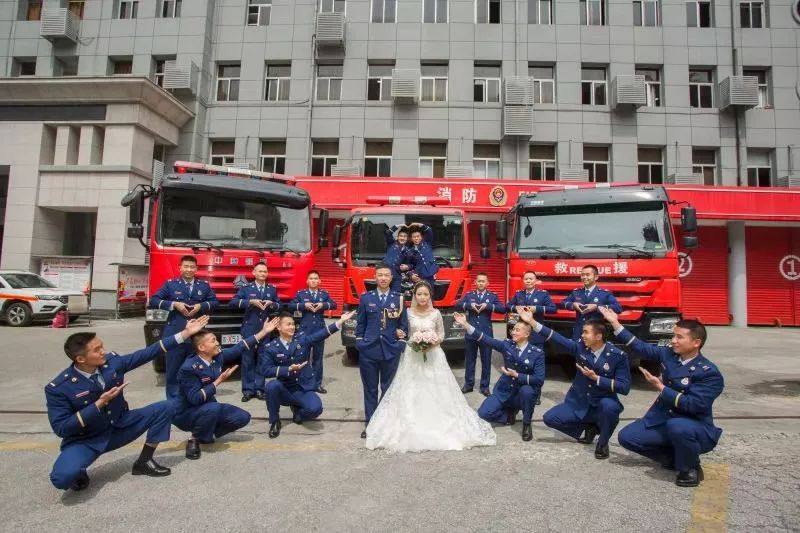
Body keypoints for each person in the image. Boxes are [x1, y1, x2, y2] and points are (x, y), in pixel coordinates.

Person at [45, 316, 209, 491]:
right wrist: (99, 404)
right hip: (87, 439)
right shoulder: (59, 388)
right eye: (97, 350)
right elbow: (61, 428)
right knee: (61, 479)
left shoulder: (112, 363)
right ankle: (79, 469)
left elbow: (149, 352)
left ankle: (144, 462)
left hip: (121, 426)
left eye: (102, 346)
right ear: (81, 359)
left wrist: (185, 333)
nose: (104, 351)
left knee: (166, 407)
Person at [600, 307, 724, 487]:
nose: (673, 341)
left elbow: (694, 405)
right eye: (673, 336)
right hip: (662, 419)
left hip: (693, 426)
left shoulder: (709, 373)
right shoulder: (669, 355)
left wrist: (661, 387)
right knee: (627, 437)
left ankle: (690, 467)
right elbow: (640, 346)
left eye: (679, 337)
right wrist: (615, 323)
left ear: (696, 342)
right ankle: (675, 458)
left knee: (678, 426)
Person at [367, 282, 496, 451]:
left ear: (430, 296)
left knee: (437, 389)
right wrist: (406, 337)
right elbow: (403, 331)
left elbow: (442, 334)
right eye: (419, 294)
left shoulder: (436, 314)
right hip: (413, 355)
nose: (422, 297)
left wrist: (433, 342)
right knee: (411, 388)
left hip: (434, 355)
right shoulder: (407, 313)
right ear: (414, 296)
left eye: (425, 294)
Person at [517, 308, 630, 459]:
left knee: (610, 408)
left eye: (586, 332)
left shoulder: (618, 356)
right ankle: (589, 429)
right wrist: (532, 322)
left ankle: (602, 442)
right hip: (579, 402)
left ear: (598, 336)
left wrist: (597, 378)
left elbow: (624, 387)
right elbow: (556, 337)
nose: (582, 336)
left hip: (602, 403)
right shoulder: (580, 347)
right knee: (550, 418)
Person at [173, 317, 280, 459]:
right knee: (213, 408)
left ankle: (207, 433)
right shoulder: (189, 368)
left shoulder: (216, 357)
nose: (218, 343)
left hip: (208, 407)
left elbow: (240, 347)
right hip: (186, 413)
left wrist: (263, 332)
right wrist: (218, 381)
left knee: (243, 417)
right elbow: (195, 398)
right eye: (213, 341)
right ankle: (194, 439)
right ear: (201, 347)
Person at [260, 310, 356, 438]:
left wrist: (340, 322)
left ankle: (298, 412)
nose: (292, 327)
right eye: (288, 324)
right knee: (271, 386)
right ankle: (275, 421)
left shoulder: (302, 339)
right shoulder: (271, 347)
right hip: (284, 388)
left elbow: (321, 334)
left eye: (293, 324)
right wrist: (287, 369)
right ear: (278, 327)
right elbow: (266, 370)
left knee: (316, 409)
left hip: (302, 387)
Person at [454, 312, 544, 442]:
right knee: (483, 413)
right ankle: (508, 416)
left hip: (521, 393)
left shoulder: (537, 353)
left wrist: (518, 375)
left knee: (528, 392)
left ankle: (526, 424)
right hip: (504, 390)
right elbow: (485, 338)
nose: (513, 332)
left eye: (517, 330)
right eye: (513, 329)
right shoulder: (507, 345)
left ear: (527, 334)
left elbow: (539, 380)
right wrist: (466, 325)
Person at [148, 255, 219, 400]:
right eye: (186, 266)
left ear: (196, 269)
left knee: (197, 369)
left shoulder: (203, 286)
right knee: (173, 371)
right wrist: (174, 304)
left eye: (192, 267)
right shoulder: (170, 285)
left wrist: (201, 305)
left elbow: (214, 302)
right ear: (180, 268)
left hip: (197, 337)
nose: (189, 269)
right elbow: (154, 300)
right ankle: (173, 403)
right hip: (175, 334)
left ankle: (195, 398)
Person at [355, 263, 409, 439]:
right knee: (370, 390)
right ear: (375, 277)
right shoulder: (365, 298)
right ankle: (370, 424)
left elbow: (403, 326)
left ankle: (384, 423)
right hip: (369, 351)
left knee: (387, 389)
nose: (383, 278)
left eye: (386, 275)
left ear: (391, 277)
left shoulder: (398, 298)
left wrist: (400, 344)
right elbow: (360, 325)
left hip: (390, 350)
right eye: (380, 275)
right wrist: (360, 344)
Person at [230, 262, 280, 402]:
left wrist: (272, 304)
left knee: (263, 359)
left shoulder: (271, 289)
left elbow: (279, 305)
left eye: (265, 271)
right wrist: (251, 302)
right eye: (260, 271)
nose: (262, 274)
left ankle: (259, 389)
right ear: (254, 273)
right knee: (247, 360)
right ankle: (248, 390)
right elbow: (233, 302)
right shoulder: (247, 288)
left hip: (266, 328)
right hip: (250, 328)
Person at [456, 273, 506, 396]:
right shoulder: (469, 295)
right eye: (479, 281)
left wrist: (488, 306)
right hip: (471, 333)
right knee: (470, 360)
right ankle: (468, 385)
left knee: (486, 360)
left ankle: (484, 387)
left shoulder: (492, 296)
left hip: (486, 333)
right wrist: (469, 305)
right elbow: (457, 305)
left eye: (483, 281)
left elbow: (502, 309)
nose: (481, 283)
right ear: (475, 282)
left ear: (487, 283)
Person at [287, 270, 338, 394]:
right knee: (302, 357)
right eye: (311, 278)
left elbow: (334, 305)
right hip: (305, 330)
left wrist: (323, 305)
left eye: (316, 278)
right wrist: (304, 306)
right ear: (307, 281)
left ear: (319, 281)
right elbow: (290, 306)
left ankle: (316, 384)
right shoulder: (301, 293)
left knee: (318, 358)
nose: (314, 281)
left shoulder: (324, 294)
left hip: (319, 330)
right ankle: (302, 383)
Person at [562, 264, 621, 340]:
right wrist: (573, 305)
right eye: (582, 275)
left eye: (587, 275)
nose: (584, 277)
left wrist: (597, 307)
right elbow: (563, 303)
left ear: (596, 277)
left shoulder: (605, 293)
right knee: (577, 351)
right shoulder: (576, 292)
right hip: (578, 333)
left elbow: (618, 308)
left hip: (596, 334)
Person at [383, 224, 412, 293]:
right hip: (385, 275)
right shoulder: (392, 243)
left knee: (395, 297)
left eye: (405, 236)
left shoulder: (409, 251)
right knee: (383, 295)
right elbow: (388, 233)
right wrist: (398, 226)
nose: (402, 238)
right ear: (398, 237)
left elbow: (411, 264)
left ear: (407, 238)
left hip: (397, 277)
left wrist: (407, 266)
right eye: (401, 236)